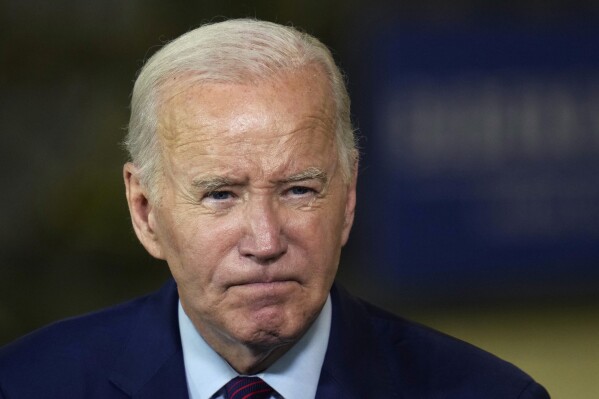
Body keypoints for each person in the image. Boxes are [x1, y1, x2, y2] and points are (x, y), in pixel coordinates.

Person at [0, 19, 549, 399]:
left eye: (299, 191)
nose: (265, 242)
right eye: (220, 195)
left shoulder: (490, 393)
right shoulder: (26, 385)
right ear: (145, 212)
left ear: (350, 196)